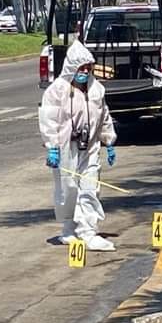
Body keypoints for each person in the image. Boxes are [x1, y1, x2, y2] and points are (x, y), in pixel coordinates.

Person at [38, 40, 118, 252]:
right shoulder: (57, 91)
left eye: (87, 68)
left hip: (89, 147)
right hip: (66, 147)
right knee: (68, 188)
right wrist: (52, 146)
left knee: (90, 187)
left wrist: (109, 141)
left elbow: (104, 116)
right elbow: (48, 119)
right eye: (80, 68)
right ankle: (68, 229)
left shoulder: (96, 89)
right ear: (72, 67)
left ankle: (88, 232)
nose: (84, 72)